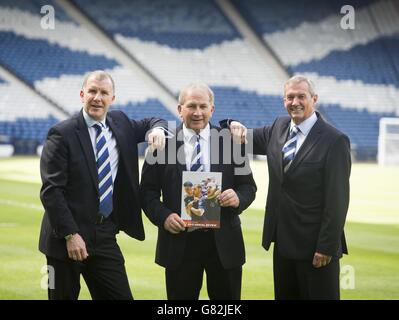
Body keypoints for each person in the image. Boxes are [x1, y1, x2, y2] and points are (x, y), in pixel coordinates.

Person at [39, 70, 167, 300]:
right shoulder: (62, 134)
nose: (97, 98)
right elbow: (51, 190)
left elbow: (154, 121)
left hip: (104, 234)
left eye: (104, 93)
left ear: (112, 99)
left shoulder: (121, 123)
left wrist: (157, 130)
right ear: (82, 94)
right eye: (92, 91)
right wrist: (70, 235)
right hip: (64, 239)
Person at [222, 75, 351, 300]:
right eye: (290, 97)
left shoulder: (335, 140)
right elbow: (243, 137)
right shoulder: (278, 128)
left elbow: (338, 200)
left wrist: (326, 246)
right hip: (282, 243)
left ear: (314, 99)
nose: (295, 102)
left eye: (301, 96)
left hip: (315, 248)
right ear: (284, 101)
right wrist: (231, 123)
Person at [140, 82, 257, 300]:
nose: (197, 112)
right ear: (179, 109)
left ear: (212, 109)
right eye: (191, 106)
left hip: (223, 245)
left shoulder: (231, 142)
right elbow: (147, 193)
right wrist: (164, 217)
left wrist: (238, 197)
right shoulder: (161, 145)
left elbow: (249, 187)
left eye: (203, 106)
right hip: (179, 244)